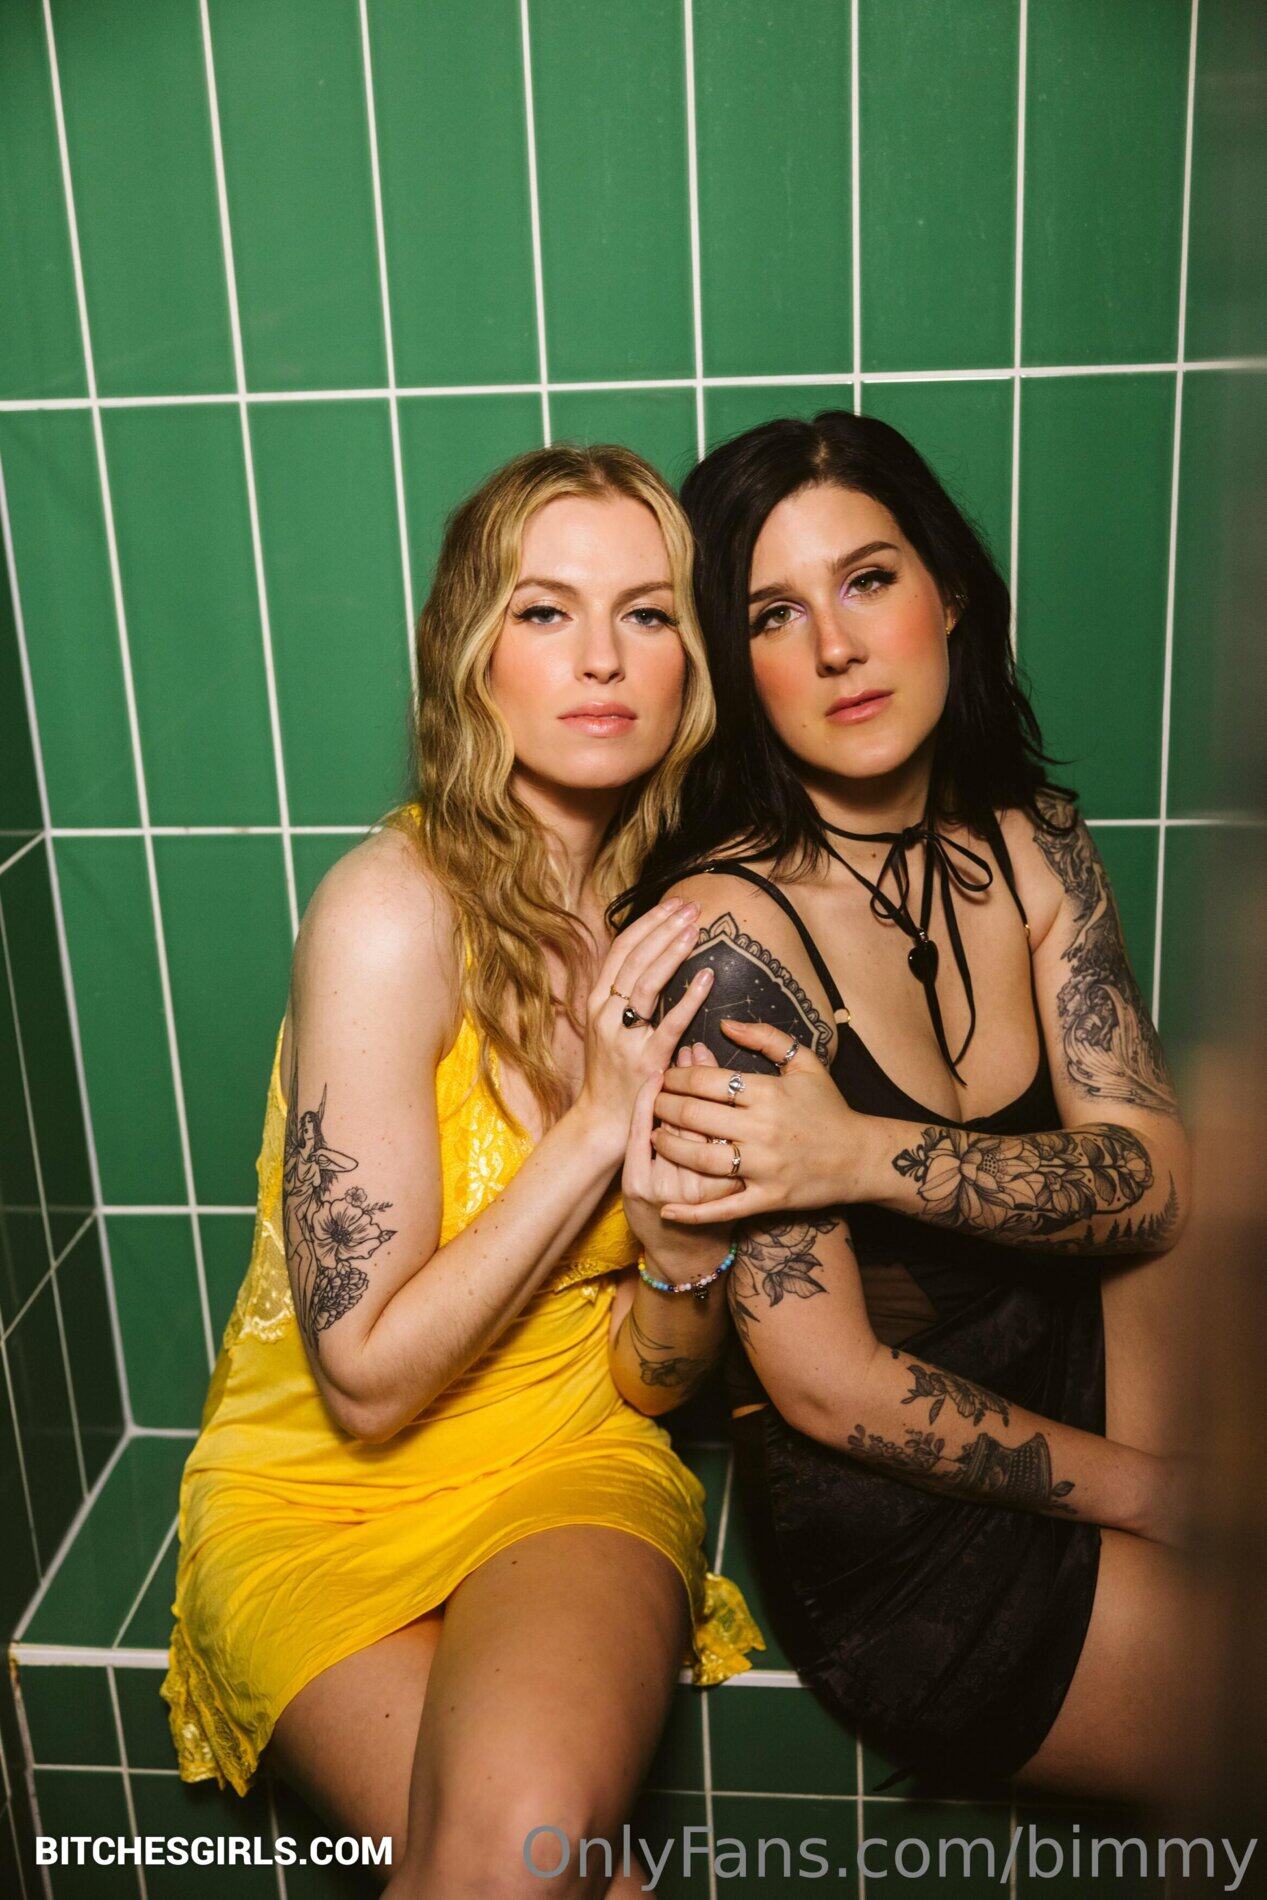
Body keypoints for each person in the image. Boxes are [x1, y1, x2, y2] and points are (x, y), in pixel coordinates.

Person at [161, 443, 763, 1896]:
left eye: (647, 612)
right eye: (546, 611)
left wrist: (687, 1261)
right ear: (468, 655)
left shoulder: (689, 930)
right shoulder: (388, 914)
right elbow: (363, 1381)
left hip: (570, 1461)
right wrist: (598, 1128)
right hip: (317, 1495)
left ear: (690, 664)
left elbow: (652, 1386)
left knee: (518, 1850)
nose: (603, 657)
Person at [616, 410, 1196, 1806]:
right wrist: (1164, 1497)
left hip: (1089, 1374)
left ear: (951, 596)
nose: (836, 646)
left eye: (868, 580)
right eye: (773, 613)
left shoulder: (1037, 843)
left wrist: (861, 1151)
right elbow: (830, 1386)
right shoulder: (724, 947)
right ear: (733, 668)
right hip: (918, 1537)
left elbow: (1159, 1182)